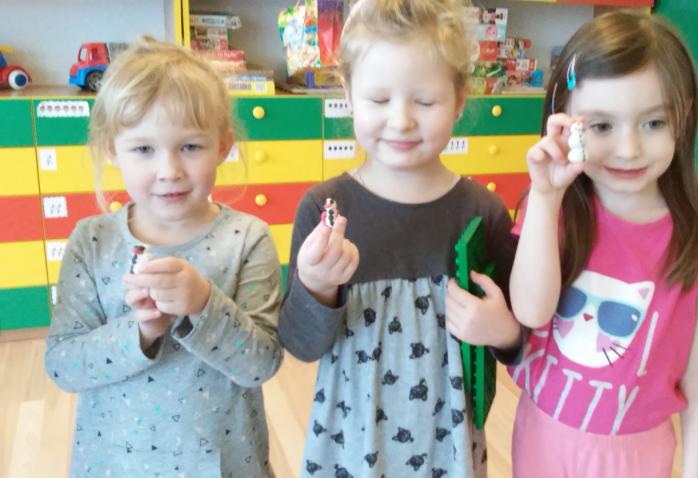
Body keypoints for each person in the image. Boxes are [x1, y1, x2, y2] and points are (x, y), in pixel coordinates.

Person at [277, 0, 521, 476]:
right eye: (378, 99)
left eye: (425, 102)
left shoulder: (483, 212)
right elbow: (300, 345)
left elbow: (524, 340)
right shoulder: (324, 209)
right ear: (348, 94)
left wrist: (506, 332)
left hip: (447, 451)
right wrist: (316, 286)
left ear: (460, 98)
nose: (402, 120)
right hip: (352, 446)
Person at [509, 11, 698, 478]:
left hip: (638, 453)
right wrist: (546, 197)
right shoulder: (550, 209)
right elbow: (531, 313)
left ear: (684, 117)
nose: (629, 149)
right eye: (601, 126)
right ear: (565, 125)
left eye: (653, 122)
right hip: (542, 436)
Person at [44, 37, 284, 477]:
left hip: (225, 465)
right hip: (116, 466)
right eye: (143, 149)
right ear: (113, 149)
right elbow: (63, 365)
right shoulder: (92, 242)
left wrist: (204, 305)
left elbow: (260, 364)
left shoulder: (247, 239)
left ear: (223, 146)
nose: (169, 171)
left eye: (190, 147)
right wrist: (140, 332)